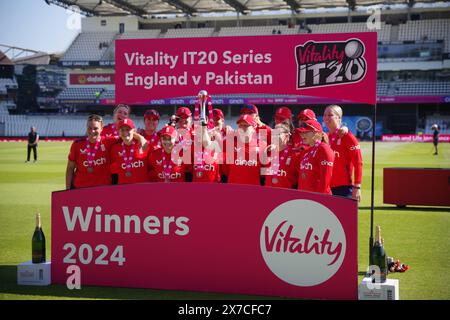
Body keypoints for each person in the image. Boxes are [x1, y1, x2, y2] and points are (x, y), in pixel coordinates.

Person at [66, 115, 117, 189]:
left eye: (95, 128)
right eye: (89, 128)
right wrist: (67, 190)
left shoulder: (108, 141)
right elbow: (70, 168)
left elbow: (126, 136)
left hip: (103, 189)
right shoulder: (77, 144)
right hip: (81, 190)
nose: (92, 131)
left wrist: (140, 137)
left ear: (102, 129)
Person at [323, 105, 363, 200]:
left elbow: (358, 162)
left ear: (339, 118)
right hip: (327, 188)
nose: (326, 118)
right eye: (324, 115)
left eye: (330, 115)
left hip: (343, 188)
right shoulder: (325, 137)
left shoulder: (347, 136)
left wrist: (357, 187)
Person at [220, 114, 267, 186]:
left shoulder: (262, 145)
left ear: (253, 128)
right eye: (240, 126)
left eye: (245, 126)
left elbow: (264, 172)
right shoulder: (229, 143)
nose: (242, 128)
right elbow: (225, 169)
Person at [296, 119, 334, 195]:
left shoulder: (324, 149)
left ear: (316, 133)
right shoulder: (306, 151)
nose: (302, 135)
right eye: (301, 132)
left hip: (319, 200)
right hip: (305, 198)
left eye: (306, 132)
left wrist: (318, 199)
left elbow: (325, 180)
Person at [110, 118, 149, 184]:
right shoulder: (115, 149)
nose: (125, 132)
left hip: (142, 188)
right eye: (122, 130)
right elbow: (112, 169)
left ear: (133, 130)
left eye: (128, 129)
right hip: (124, 189)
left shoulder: (144, 144)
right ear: (119, 131)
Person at [263, 123, 299, 189]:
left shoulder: (294, 154)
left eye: (278, 134)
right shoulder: (268, 152)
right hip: (267, 193)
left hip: (286, 195)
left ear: (287, 136)